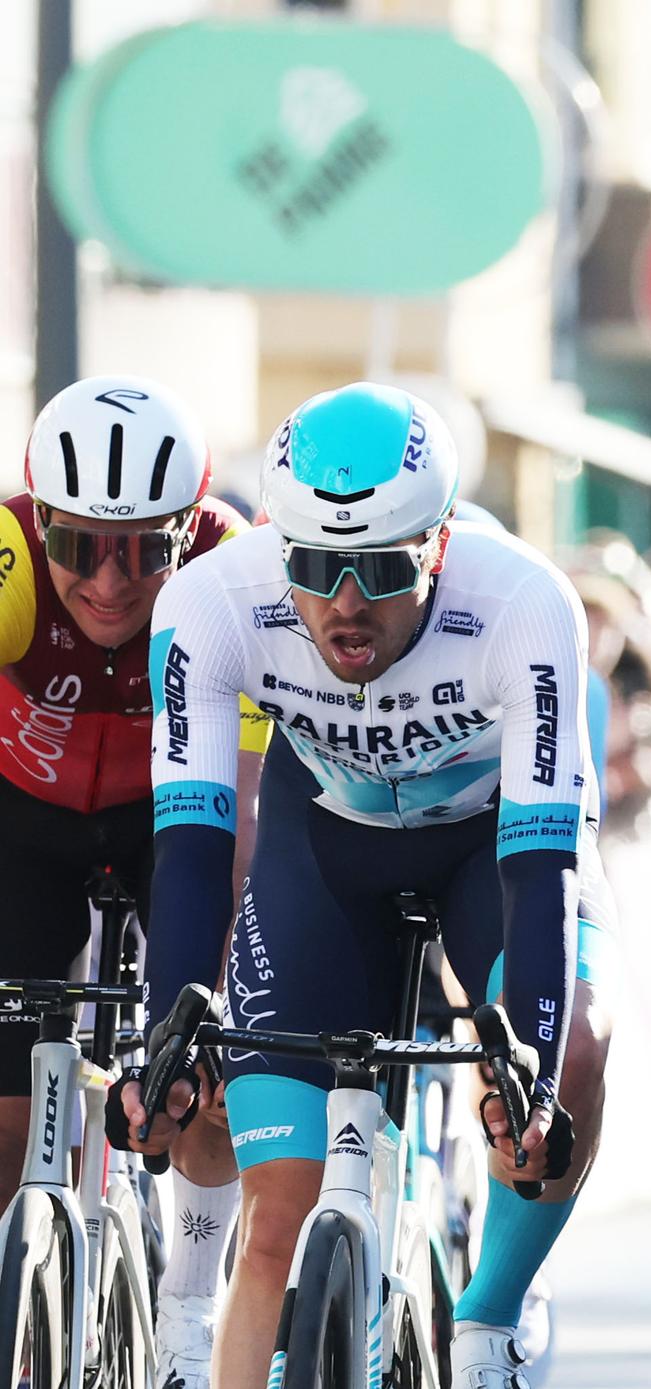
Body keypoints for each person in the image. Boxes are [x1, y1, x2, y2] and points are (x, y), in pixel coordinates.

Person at [121, 382, 617, 1389]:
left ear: (439, 545)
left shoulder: (522, 603)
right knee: (275, 1218)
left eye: (382, 568)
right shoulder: (211, 602)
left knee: (573, 1050)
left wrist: (527, 1066)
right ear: (278, 548)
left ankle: (488, 1322)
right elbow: (193, 851)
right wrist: (164, 1036)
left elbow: (540, 868)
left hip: (492, 842)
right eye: (316, 566)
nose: (346, 603)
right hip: (326, 847)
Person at [3, 375, 261, 1389]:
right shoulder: (8, 555)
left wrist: (217, 980)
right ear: (41, 523)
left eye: (147, 550)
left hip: (179, 823)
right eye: (80, 545)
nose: (110, 582)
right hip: (23, 820)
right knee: (7, 1118)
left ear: (188, 530)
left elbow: (244, 812)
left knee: (214, 1060)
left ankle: (190, 1308)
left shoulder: (235, 570)